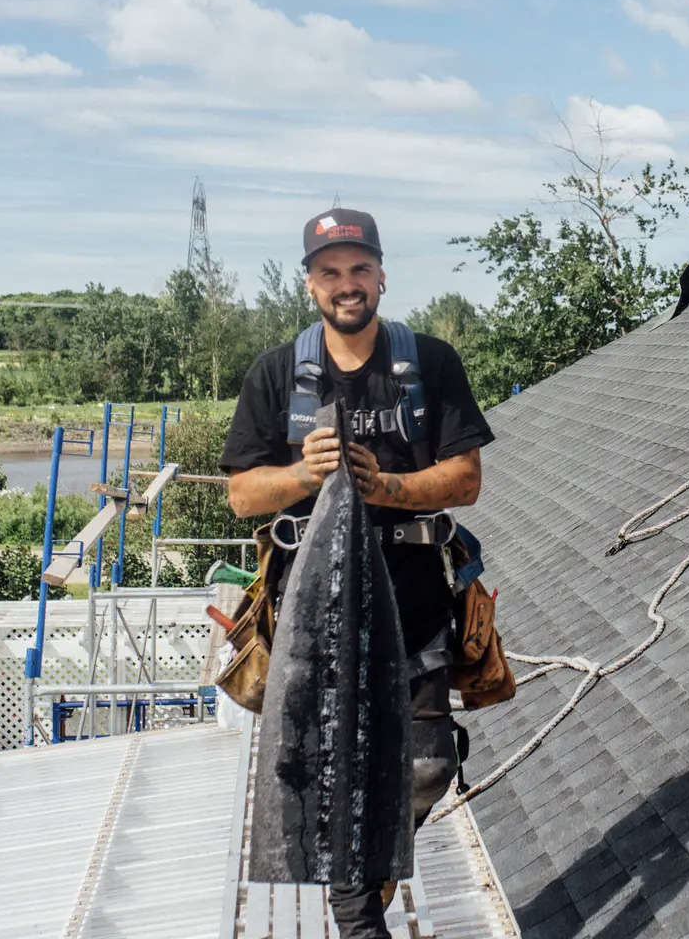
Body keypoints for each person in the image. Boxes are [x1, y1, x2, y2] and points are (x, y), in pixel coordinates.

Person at [222, 207, 494, 939]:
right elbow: (243, 493)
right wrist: (300, 474)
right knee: (326, 767)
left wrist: (390, 489)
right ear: (311, 286)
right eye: (330, 273)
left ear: (380, 275)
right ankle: (355, 915)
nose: (348, 285)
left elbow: (466, 478)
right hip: (315, 614)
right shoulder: (277, 374)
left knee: (429, 764)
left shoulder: (427, 364)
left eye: (359, 269)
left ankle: (359, 885)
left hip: (413, 601)